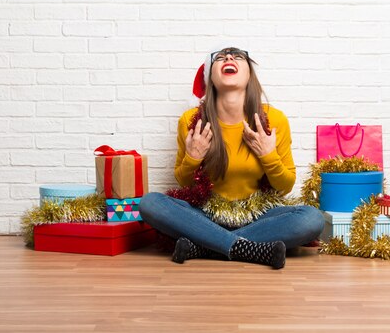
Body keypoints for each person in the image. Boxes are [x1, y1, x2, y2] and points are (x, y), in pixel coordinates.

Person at [139, 47, 324, 269]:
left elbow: (284, 187)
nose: (228, 58)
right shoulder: (191, 121)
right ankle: (248, 248)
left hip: (257, 215)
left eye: (238, 56)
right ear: (210, 77)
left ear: (249, 75)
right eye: (219, 57)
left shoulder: (275, 120)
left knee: (311, 218)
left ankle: (203, 246)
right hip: (205, 214)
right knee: (150, 203)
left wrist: (268, 156)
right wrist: (192, 158)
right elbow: (184, 183)